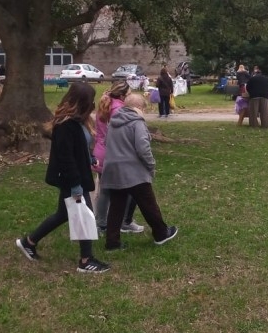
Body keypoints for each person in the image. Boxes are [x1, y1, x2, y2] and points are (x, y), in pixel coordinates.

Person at [15, 82, 111, 274]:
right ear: (81, 102)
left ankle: (29, 242)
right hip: (72, 179)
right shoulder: (66, 125)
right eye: (90, 100)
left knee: (63, 214)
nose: (93, 104)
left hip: (78, 175)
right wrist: (76, 186)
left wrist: (90, 157)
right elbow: (66, 158)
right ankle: (85, 261)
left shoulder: (78, 121)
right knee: (85, 215)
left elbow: (80, 147)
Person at [102, 93, 178, 251]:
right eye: (144, 107)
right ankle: (161, 233)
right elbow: (143, 148)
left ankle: (112, 242)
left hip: (114, 170)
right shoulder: (137, 123)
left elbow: (106, 143)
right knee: (148, 203)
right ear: (139, 107)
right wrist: (151, 166)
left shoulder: (113, 122)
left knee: (116, 207)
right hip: (134, 171)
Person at [93, 82, 145, 235]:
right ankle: (123, 221)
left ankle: (101, 223)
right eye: (129, 94)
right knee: (127, 187)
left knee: (105, 190)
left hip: (101, 152)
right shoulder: (119, 110)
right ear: (122, 96)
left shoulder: (106, 104)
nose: (131, 96)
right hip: (112, 153)